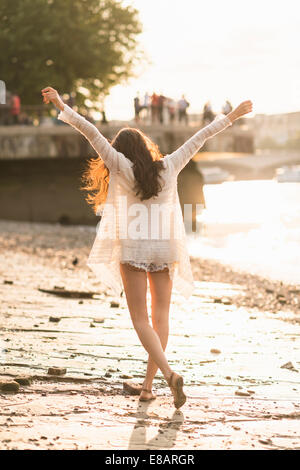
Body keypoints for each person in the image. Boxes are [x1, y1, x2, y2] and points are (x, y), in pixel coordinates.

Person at [41, 86, 252, 408]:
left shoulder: (117, 164)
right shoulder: (171, 164)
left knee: (140, 318)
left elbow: (90, 131)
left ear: (122, 149)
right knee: (161, 316)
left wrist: (60, 105)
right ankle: (147, 387)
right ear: (146, 147)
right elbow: (202, 135)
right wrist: (234, 115)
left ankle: (168, 375)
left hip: (134, 250)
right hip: (165, 249)